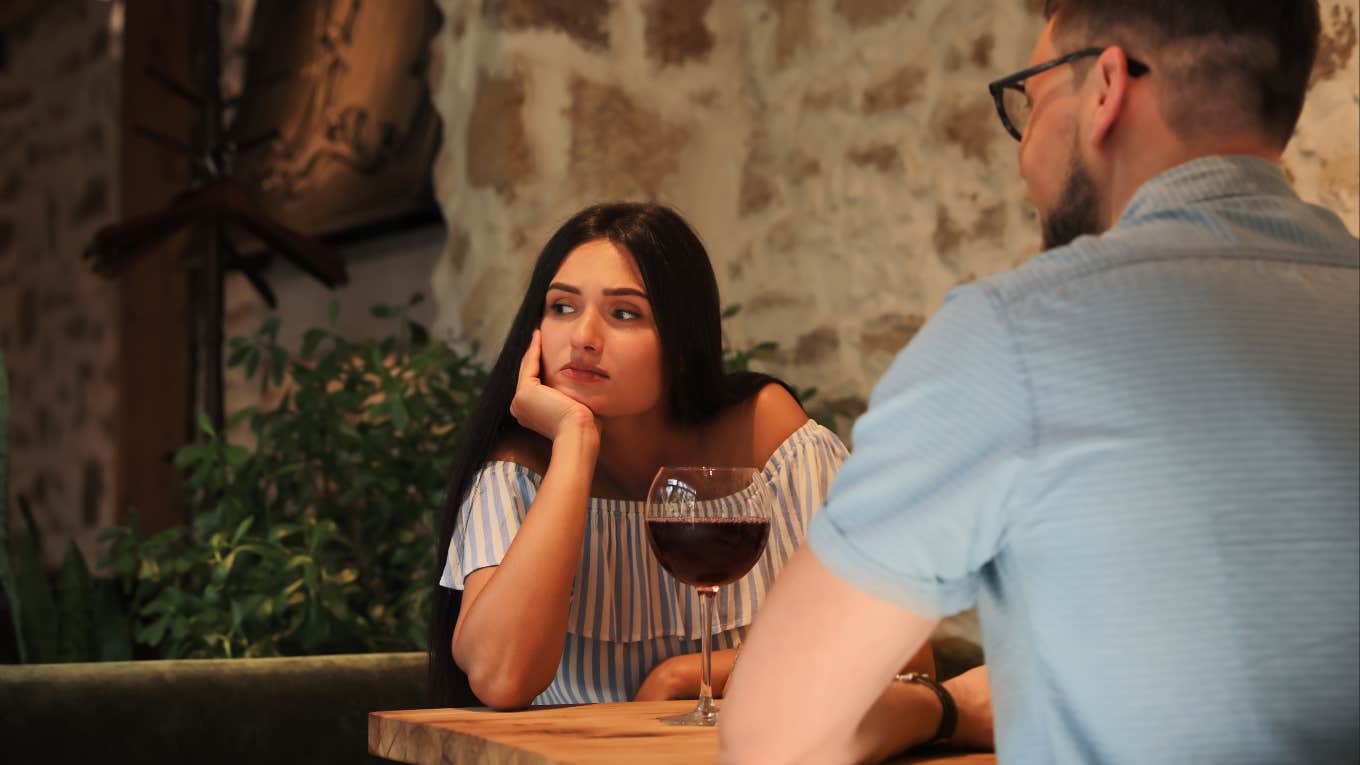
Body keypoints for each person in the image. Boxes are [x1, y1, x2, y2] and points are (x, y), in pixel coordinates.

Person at [722, 1, 1358, 762]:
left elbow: (770, 738)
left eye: (1030, 95)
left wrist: (939, 710)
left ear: (1106, 88)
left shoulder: (1015, 336)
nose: (1024, 150)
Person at [427, 202, 893, 709]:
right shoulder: (516, 469)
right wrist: (576, 442)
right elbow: (502, 678)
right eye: (562, 307)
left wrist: (685, 676)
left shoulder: (767, 437)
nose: (582, 338)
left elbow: (899, 652)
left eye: (624, 313)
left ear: (682, 339)